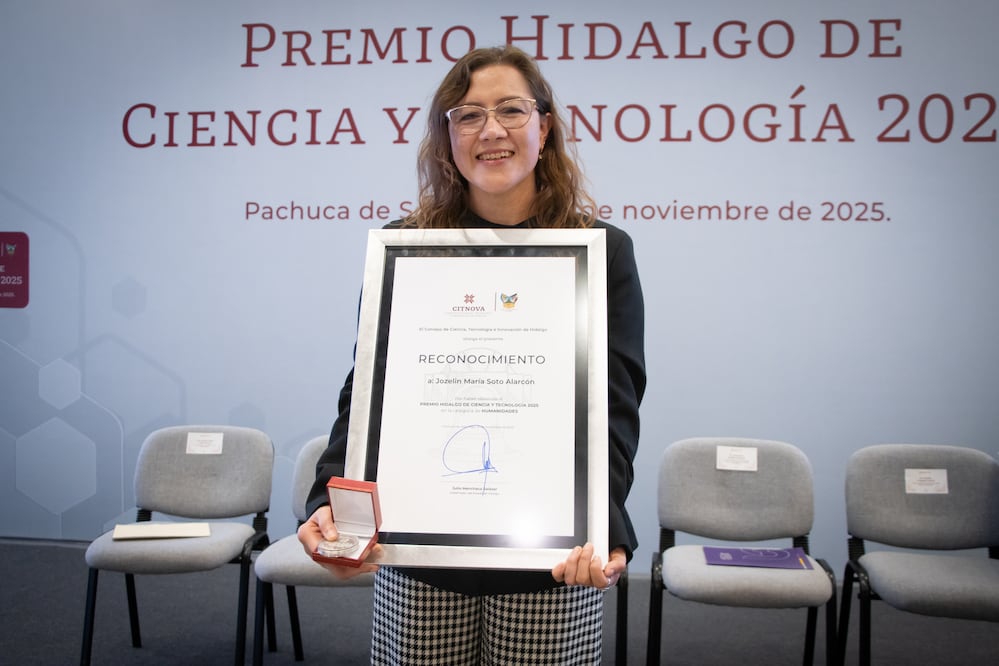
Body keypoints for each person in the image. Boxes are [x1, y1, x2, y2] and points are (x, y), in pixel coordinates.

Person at [299, 44, 645, 665]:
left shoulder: (601, 251)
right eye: (467, 115)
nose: (491, 131)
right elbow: (369, 390)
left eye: (511, 110)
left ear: (545, 126)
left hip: (548, 563)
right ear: (446, 137)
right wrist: (332, 499)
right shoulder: (407, 248)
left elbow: (614, 407)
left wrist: (604, 523)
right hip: (422, 560)